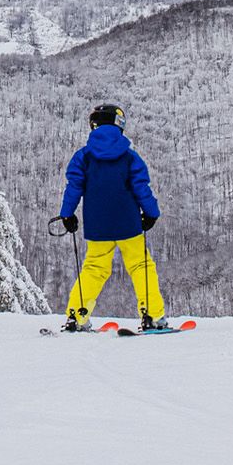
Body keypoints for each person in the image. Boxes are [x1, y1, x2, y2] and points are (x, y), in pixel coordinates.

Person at [56, 103, 166, 330]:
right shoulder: (129, 157)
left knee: (94, 269)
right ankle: (152, 316)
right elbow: (141, 188)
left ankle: (77, 316)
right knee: (140, 265)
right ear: (119, 125)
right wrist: (151, 213)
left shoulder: (83, 157)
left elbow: (74, 186)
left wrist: (67, 214)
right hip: (129, 223)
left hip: (98, 226)